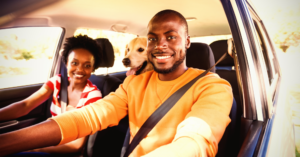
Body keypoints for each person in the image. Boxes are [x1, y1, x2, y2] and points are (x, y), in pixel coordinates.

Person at [0, 10, 233, 157]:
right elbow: (90, 116)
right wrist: (8, 142)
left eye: (171, 36)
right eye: (153, 38)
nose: (160, 45)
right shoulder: (134, 84)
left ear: (188, 41)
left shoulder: (213, 87)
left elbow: (194, 141)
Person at [0, 35, 103, 156]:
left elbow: (76, 145)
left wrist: (35, 149)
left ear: (93, 68)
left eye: (87, 65)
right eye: (74, 63)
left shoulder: (94, 96)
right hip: (48, 143)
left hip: (66, 152)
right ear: (66, 63)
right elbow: (25, 105)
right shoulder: (57, 82)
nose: (80, 70)